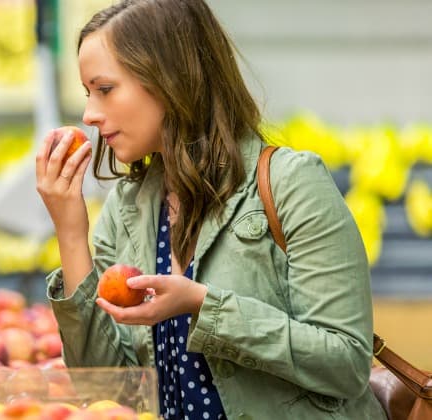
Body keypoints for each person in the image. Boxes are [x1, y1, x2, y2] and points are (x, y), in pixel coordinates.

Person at [35, 0, 386, 419]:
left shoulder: (291, 184)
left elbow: (346, 364)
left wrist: (204, 306)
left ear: (169, 79)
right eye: (87, 93)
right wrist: (71, 232)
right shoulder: (128, 209)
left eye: (105, 89)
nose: (90, 115)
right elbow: (109, 391)